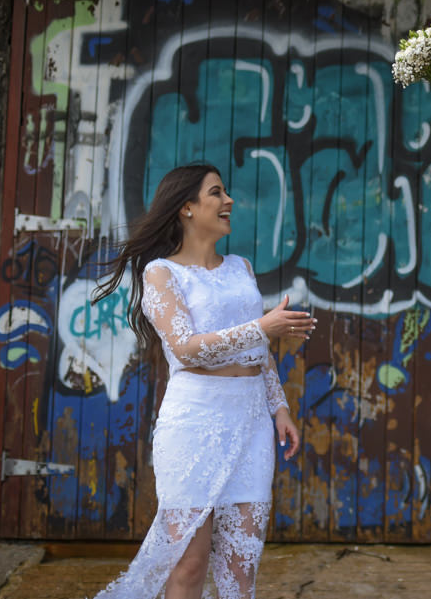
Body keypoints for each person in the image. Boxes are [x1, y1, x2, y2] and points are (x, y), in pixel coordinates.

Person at [91, 163, 315, 599]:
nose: (228, 201)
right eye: (217, 193)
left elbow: (258, 351)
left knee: (240, 569)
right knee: (189, 565)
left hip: (251, 423)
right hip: (195, 422)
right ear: (187, 208)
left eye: (225, 193)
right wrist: (263, 327)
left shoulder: (241, 268)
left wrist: (279, 407)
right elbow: (186, 348)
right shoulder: (160, 273)